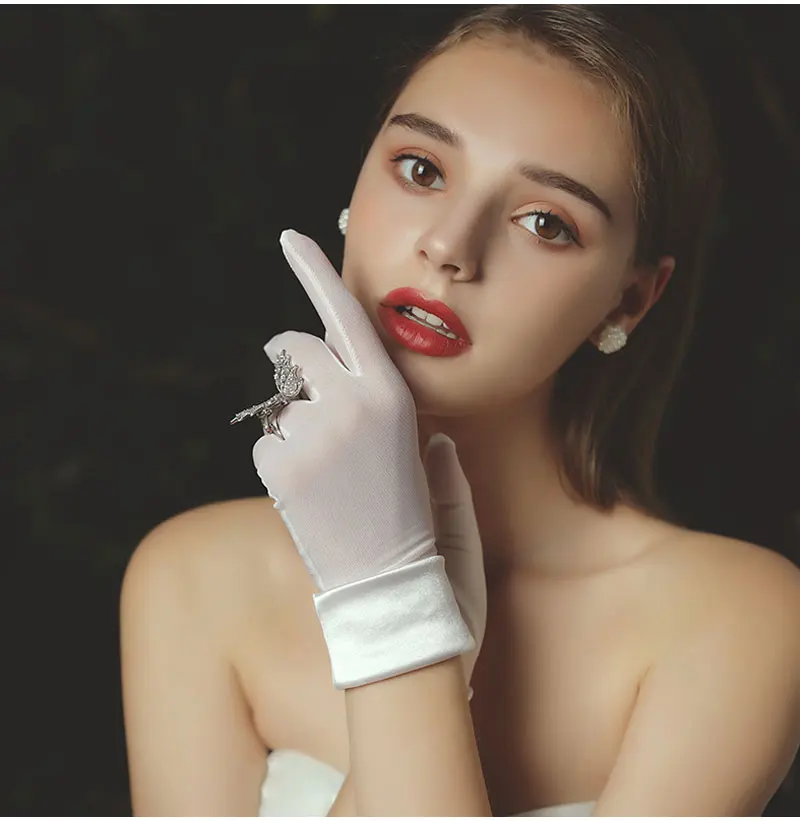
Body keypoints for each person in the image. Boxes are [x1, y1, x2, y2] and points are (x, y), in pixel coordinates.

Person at [120, 5, 800, 816]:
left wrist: (392, 609)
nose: (449, 244)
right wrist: (394, 608)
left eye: (546, 221)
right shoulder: (194, 581)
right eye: (420, 169)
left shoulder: (738, 623)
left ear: (629, 299)